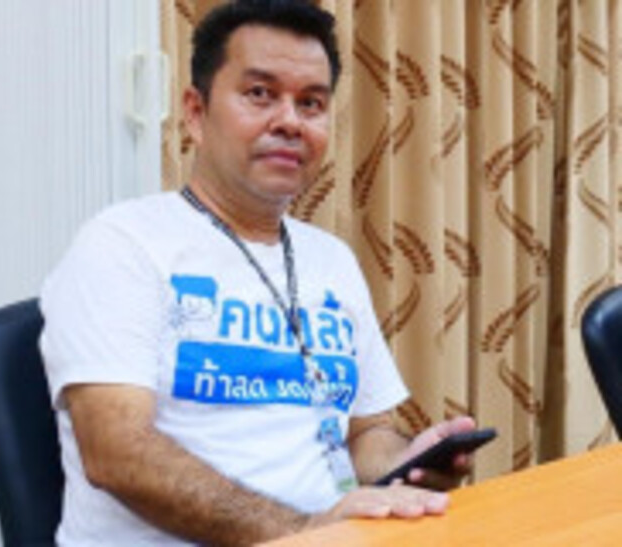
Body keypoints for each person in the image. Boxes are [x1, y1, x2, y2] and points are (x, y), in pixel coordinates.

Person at [40, 1, 476, 545]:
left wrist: (408, 461)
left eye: (311, 103)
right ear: (195, 113)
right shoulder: (122, 244)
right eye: (260, 94)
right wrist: (298, 531)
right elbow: (116, 452)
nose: (290, 121)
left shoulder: (331, 260)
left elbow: (366, 433)